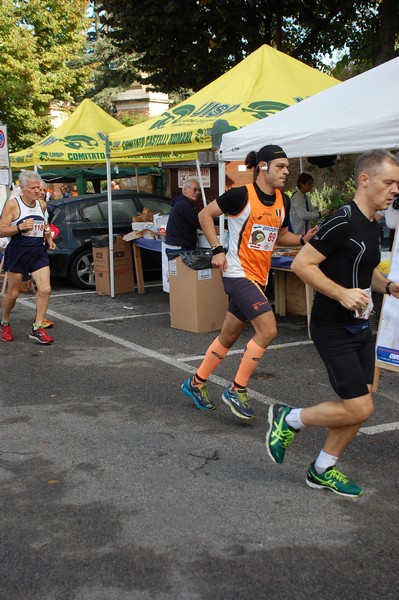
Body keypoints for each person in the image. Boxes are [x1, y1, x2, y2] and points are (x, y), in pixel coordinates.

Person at [265, 149, 399, 497]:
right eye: (389, 182)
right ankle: (289, 418)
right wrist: (341, 294)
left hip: (359, 327)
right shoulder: (341, 220)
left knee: (361, 402)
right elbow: (302, 265)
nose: (395, 189)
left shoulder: (372, 223)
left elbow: (363, 269)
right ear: (365, 180)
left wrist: (389, 287)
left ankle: (322, 468)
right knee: (360, 406)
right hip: (332, 327)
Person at [181, 145, 317, 420]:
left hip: (259, 278)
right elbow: (204, 215)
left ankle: (195, 382)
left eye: (288, 167)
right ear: (263, 167)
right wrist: (217, 249)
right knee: (268, 331)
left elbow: (281, 236)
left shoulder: (284, 200)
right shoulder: (240, 195)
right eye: (281, 166)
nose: (286, 172)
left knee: (229, 336)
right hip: (238, 274)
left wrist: (303, 240)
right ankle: (236, 388)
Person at [0, 170, 56, 344]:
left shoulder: (42, 205)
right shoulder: (12, 205)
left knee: (45, 289)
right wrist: (19, 227)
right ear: (22, 188)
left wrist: (48, 237)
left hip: (38, 252)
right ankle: (5, 322)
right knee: (14, 293)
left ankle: (37, 328)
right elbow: (1, 230)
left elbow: (43, 224)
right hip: (18, 251)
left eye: (39, 188)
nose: (38, 191)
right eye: (33, 188)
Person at [165, 179, 202, 255]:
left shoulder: (181, 203)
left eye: (199, 190)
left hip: (176, 246)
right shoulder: (184, 204)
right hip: (178, 248)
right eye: (195, 189)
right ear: (185, 190)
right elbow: (197, 222)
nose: (197, 192)